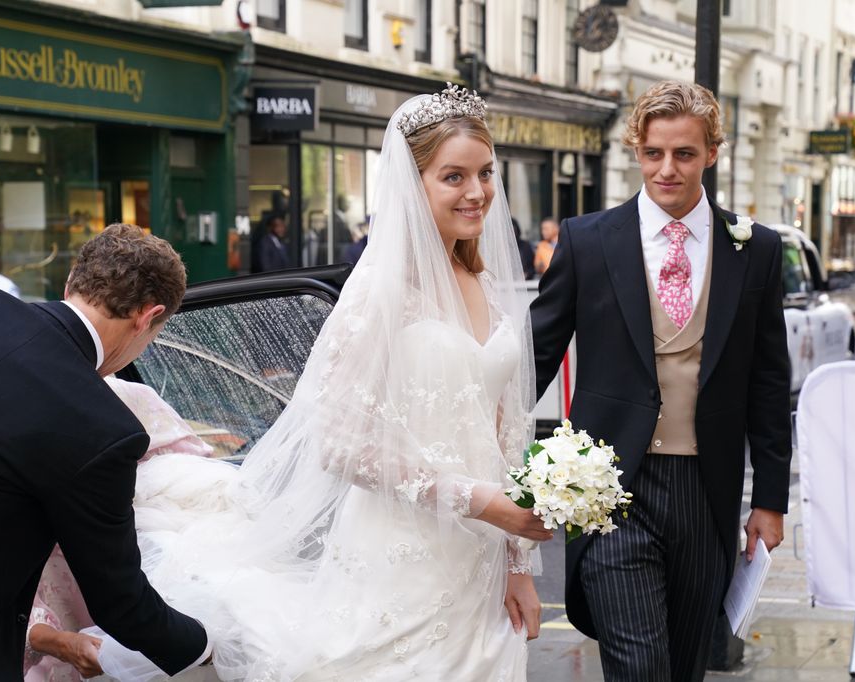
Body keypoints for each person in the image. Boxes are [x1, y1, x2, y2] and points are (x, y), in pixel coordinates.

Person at [93, 84, 551, 681]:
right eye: (453, 176)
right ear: (413, 186)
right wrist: (479, 500)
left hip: (483, 552)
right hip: (403, 547)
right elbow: (339, 444)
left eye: (485, 173)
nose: (477, 192)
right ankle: (97, 651)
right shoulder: (381, 291)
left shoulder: (486, 285)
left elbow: (504, 426)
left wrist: (518, 559)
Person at [530, 80, 792, 681]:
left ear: (712, 153)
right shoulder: (587, 241)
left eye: (684, 154)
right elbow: (533, 359)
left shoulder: (756, 250)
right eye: (653, 153)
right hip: (610, 490)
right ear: (637, 151)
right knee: (639, 666)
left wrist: (771, 500)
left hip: (707, 487)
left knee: (685, 667)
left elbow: (768, 384)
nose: (666, 169)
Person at [0, 224, 210, 680]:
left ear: (70, 283)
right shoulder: (102, 427)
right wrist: (207, 646)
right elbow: (122, 603)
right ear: (148, 316)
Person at [24, 376, 214, 682]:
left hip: (160, 614)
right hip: (51, 634)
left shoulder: (133, 400)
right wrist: (55, 641)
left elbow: (205, 495)